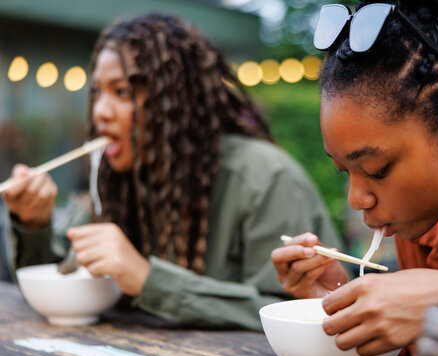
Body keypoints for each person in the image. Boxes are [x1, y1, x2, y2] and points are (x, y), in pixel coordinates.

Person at [3, 13, 342, 331]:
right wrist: (34, 224)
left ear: (178, 99)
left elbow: (290, 312)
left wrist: (147, 278)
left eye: (122, 91)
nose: (100, 112)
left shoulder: (264, 178)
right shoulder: (115, 178)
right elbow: (63, 282)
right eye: (97, 93)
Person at [271, 0, 438, 356]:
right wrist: (336, 303)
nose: (356, 199)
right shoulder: (423, 218)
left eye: (377, 169)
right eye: (344, 171)